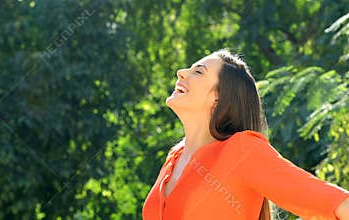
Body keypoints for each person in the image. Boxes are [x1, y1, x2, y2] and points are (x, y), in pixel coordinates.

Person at [142, 49, 349, 220]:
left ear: (218, 97)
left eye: (198, 72)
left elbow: (331, 202)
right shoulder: (175, 156)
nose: (181, 72)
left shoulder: (242, 151)